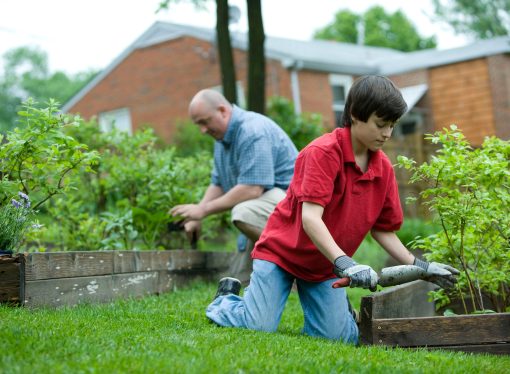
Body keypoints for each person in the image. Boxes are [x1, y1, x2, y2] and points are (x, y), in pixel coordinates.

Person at [205, 76, 459, 344]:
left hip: (325, 266)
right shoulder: (322, 153)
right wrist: (347, 264)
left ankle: (339, 315)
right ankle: (227, 299)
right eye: (380, 124)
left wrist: (422, 267)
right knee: (257, 326)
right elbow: (311, 219)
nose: (387, 134)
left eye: (392, 126)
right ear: (354, 115)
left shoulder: (383, 169)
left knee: (338, 338)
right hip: (281, 255)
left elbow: (383, 231)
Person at [170, 89, 298, 281]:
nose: (202, 130)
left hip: (294, 204)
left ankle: (297, 267)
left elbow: (252, 189)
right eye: (198, 125)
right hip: (266, 205)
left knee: (244, 212)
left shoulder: (252, 131)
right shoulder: (221, 139)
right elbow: (218, 182)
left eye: (204, 122)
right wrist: (197, 213)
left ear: (223, 111)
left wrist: (204, 210)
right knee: (240, 278)